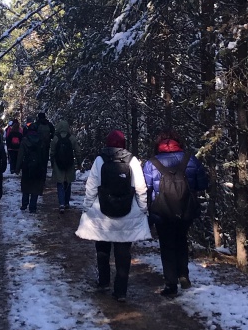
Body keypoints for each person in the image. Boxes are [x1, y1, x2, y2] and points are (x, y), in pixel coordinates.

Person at [76, 129, 150, 302]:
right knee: (123, 252)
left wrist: (87, 206)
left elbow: (91, 186)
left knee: (102, 248)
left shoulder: (100, 160)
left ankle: (103, 282)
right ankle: (121, 290)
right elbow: (140, 188)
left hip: (102, 212)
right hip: (127, 212)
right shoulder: (132, 161)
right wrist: (143, 208)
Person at [143, 131, 209, 297]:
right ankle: (183, 275)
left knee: (166, 245)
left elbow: (145, 187)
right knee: (181, 240)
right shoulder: (190, 159)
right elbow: (202, 184)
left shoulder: (152, 163)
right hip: (185, 209)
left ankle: (171, 284)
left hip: (161, 211)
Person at [16, 120, 48, 212]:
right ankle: (33, 206)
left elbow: (20, 155)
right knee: (36, 186)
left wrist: (17, 168)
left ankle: (24, 204)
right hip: (38, 165)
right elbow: (44, 155)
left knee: (26, 184)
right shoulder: (41, 141)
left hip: (27, 165)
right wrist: (43, 167)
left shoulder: (25, 140)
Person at [50, 118, 77, 212]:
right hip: (69, 163)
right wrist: (78, 162)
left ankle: (61, 203)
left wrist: (53, 163)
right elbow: (78, 151)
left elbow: (52, 152)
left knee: (60, 183)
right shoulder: (72, 138)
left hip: (58, 164)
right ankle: (66, 202)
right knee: (68, 182)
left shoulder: (55, 138)